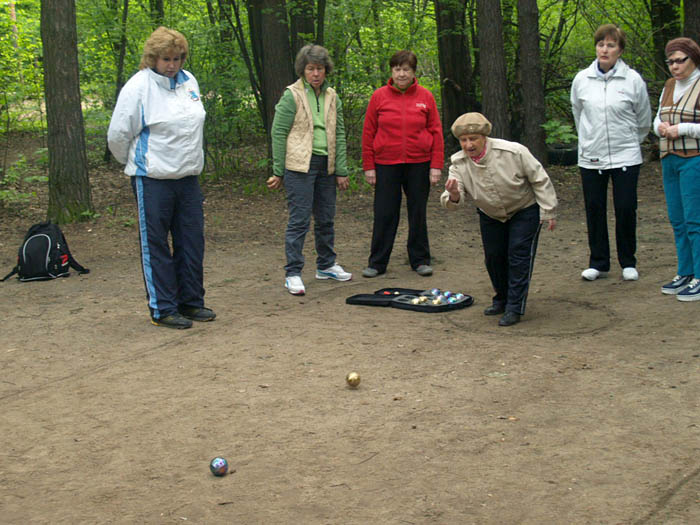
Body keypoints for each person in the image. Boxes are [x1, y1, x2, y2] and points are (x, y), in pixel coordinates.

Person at [108, 27, 215, 329]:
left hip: (188, 178)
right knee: (156, 245)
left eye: (178, 58)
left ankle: (191, 302)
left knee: (191, 242)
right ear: (153, 58)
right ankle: (163, 308)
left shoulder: (189, 82)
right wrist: (135, 163)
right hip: (152, 179)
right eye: (166, 59)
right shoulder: (138, 87)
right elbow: (118, 135)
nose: (172, 65)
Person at [441, 113, 557, 327]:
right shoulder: (458, 162)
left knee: (518, 254)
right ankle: (502, 299)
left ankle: (515, 307)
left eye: (473, 139)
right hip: (490, 213)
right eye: (464, 140)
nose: (468, 145)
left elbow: (539, 178)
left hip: (524, 209)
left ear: (484, 137)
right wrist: (454, 195)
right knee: (494, 258)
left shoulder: (513, 152)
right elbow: (453, 199)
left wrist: (549, 210)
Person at [268, 44, 351, 296]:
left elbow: (338, 131)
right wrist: (278, 170)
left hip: (326, 164)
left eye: (320, 69)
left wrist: (341, 169)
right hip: (299, 166)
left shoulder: (332, 96)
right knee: (299, 220)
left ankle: (326, 265)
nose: (316, 73)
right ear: (303, 70)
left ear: (326, 71)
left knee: (326, 218)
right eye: (311, 68)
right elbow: (278, 132)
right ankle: (293, 273)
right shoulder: (291, 95)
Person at [571, 24, 651, 282]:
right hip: (591, 157)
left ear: (620, 50)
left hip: (626, 154)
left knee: (625, 207)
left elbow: (643, 120)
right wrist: (587, 142)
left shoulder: (633, 79)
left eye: (611, 45)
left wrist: (630, 142)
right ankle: (598, 262)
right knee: (595, 208)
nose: (605, 49)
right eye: (601, 44)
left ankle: (628, 261)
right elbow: (578, 114)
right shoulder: (582, 79)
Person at [361, 50, 444, 278]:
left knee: (417, 212)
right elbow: (368, 133)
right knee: (385, 213)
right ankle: (377, 262)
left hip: (420, 163)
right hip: (386, 163)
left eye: (406, 69)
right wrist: (369, 166)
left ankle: (419, 260)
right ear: (391, 71)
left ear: (413, 72)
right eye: (397, 69)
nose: (401, 73)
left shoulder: (426, 97)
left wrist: (436, 165)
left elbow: (436, 132)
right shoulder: (379, 97)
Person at [654, 37, 700, 301]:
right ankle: (685, 271)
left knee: (695, 220)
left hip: (694, 158)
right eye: (670, 61)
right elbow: (658, 117)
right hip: (668, 158)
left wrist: (681, 129)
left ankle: (699, 275)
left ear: (693, 59)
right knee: (677, 219)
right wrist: (658, 127)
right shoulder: (669, 86)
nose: (674, 66)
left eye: (680, 60)